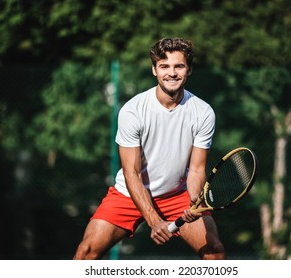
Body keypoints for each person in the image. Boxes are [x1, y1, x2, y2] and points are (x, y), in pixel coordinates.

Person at [73, 37, 225, 260]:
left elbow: (196, 169)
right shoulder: (133, 111)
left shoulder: (203, 112)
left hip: (177, 194)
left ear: (189, 70)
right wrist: (154, 221)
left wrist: (194, 200)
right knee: (86, 253)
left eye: (179, 66)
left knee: (214, 253)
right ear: (154, 70)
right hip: (129, 194)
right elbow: (131, 173)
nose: (171, 73)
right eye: (164, 66)